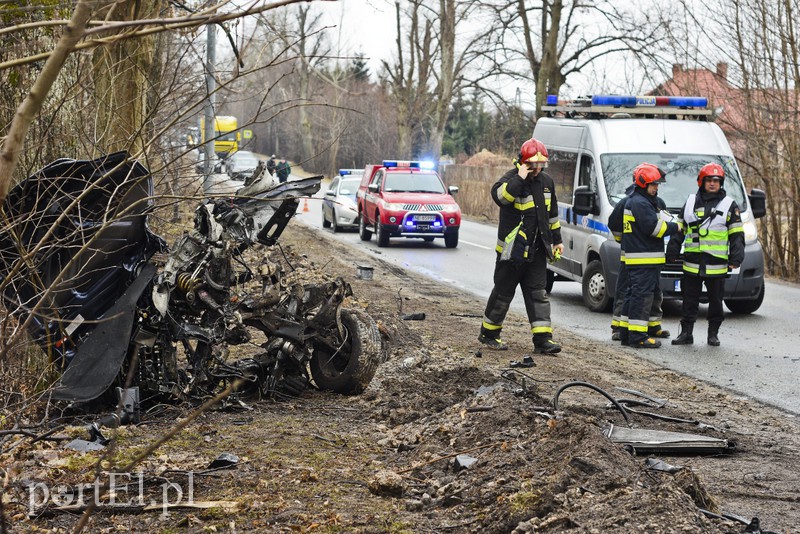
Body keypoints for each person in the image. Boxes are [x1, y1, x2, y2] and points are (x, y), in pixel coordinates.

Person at [478, 138, 564, 354]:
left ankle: (543, 340)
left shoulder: (546, 182)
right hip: (512, 253)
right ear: (524, 163)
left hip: (537, 251)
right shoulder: (510, 180)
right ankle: (489, 334)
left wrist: (557, 241)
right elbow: (501, 198)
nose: (538, 168)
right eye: (534, 164)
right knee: (503, 293)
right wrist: (520, 178)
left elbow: (552, 216)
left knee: (538, 294)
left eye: (541, 164)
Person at [667, 163, 744, 346]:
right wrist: (672, 250)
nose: (712, 184)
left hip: (716, 264)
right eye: (709, 180)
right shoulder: (691, 202)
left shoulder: (728, 205)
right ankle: (686, 334)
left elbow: (736, 235)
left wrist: (736, 258)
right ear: (702, 182)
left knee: (716, 302)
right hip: (692, 263)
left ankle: (713, 334)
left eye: (716, 181)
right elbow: (680, 229)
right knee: (689, 300)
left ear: (721, 183)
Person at [620, 163, 680, 349]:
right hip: (643, 259)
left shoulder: (639, 201)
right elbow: (653, 228)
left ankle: (626, 333)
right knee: (641, 297)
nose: (656, 187)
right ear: (643, 183)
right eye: (653, 184)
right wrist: (675, 226)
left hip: (640, 258)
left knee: (633, 295)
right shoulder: (640, 203)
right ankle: (638, 337)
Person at [608, 182, 671, 345]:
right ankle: (619, 328)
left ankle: (652, 325)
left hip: (650, 256)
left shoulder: (657, 202)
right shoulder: (629, 202)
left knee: (653, 291)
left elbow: (663, 222)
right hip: (632, 256)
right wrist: (625, 241)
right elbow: (614, 224)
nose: (656, 188)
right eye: (653, 184)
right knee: (629, 292)